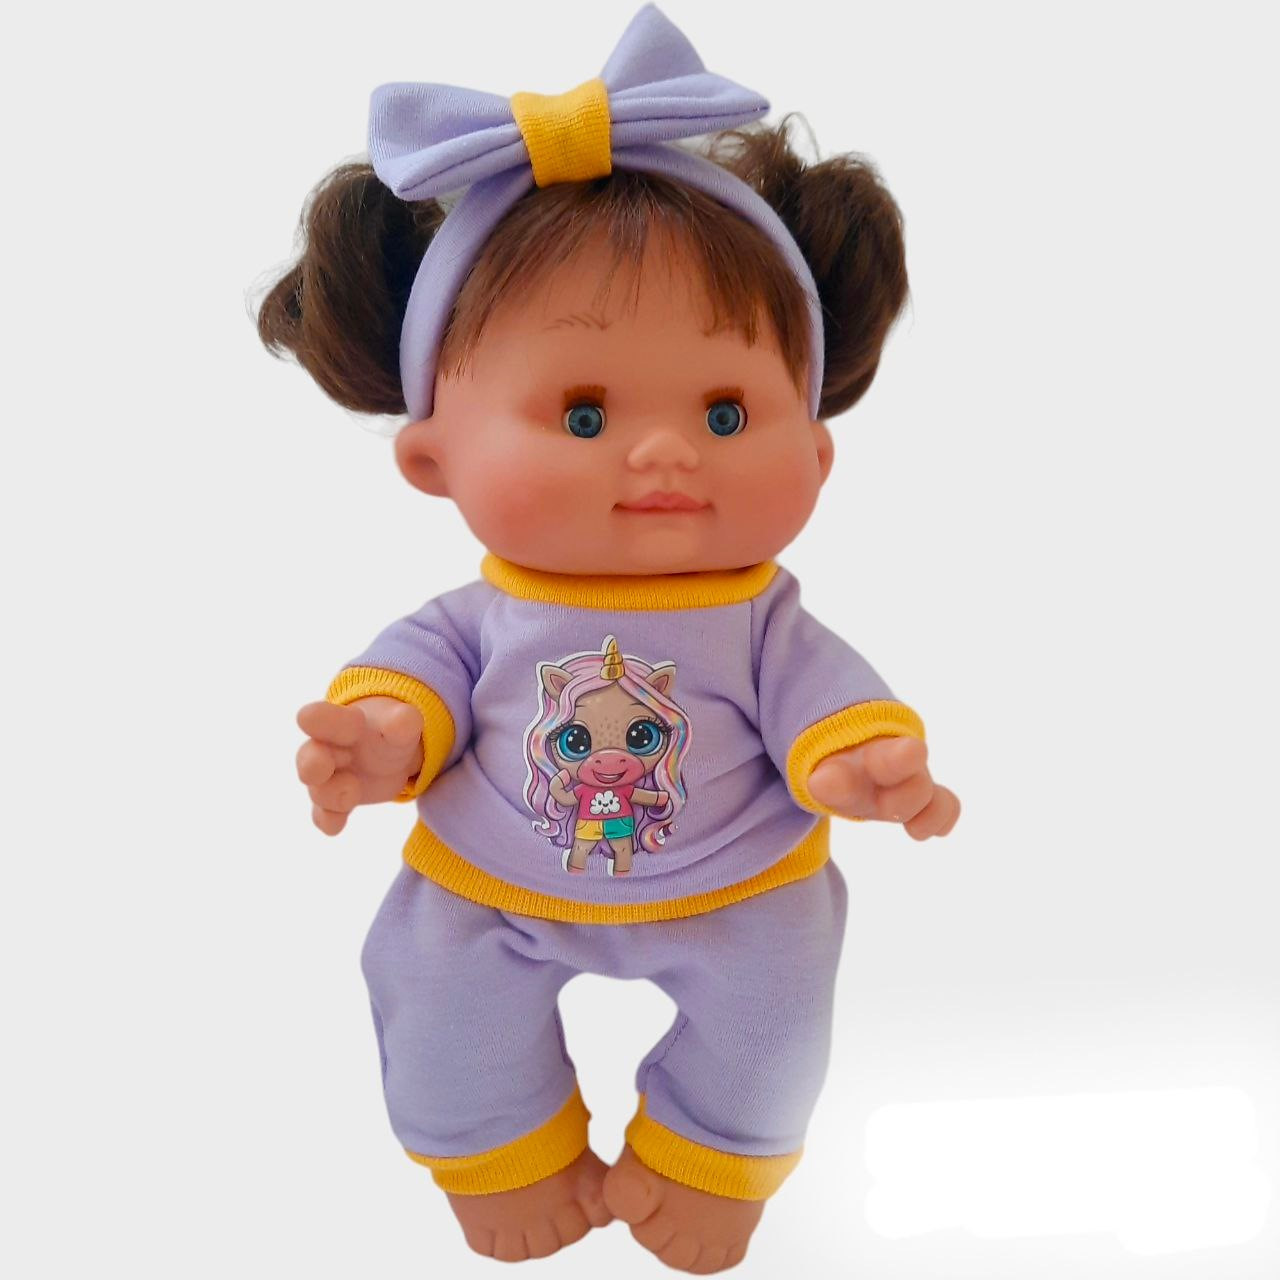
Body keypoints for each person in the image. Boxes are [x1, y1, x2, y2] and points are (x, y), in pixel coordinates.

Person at [258, 5, 960, 1272]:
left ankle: (708, 1157)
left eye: (727, 410)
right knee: (432, 984)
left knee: (777, 1004)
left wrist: (854, 762)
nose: (664, 450)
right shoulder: (480, 616)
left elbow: (822, 699)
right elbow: (419, 681)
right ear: (431, 457)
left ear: (815, 452)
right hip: (493, 876)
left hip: (736, 887)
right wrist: (381, 739)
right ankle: (501, 1151)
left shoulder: (761, 621)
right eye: (583, 413)